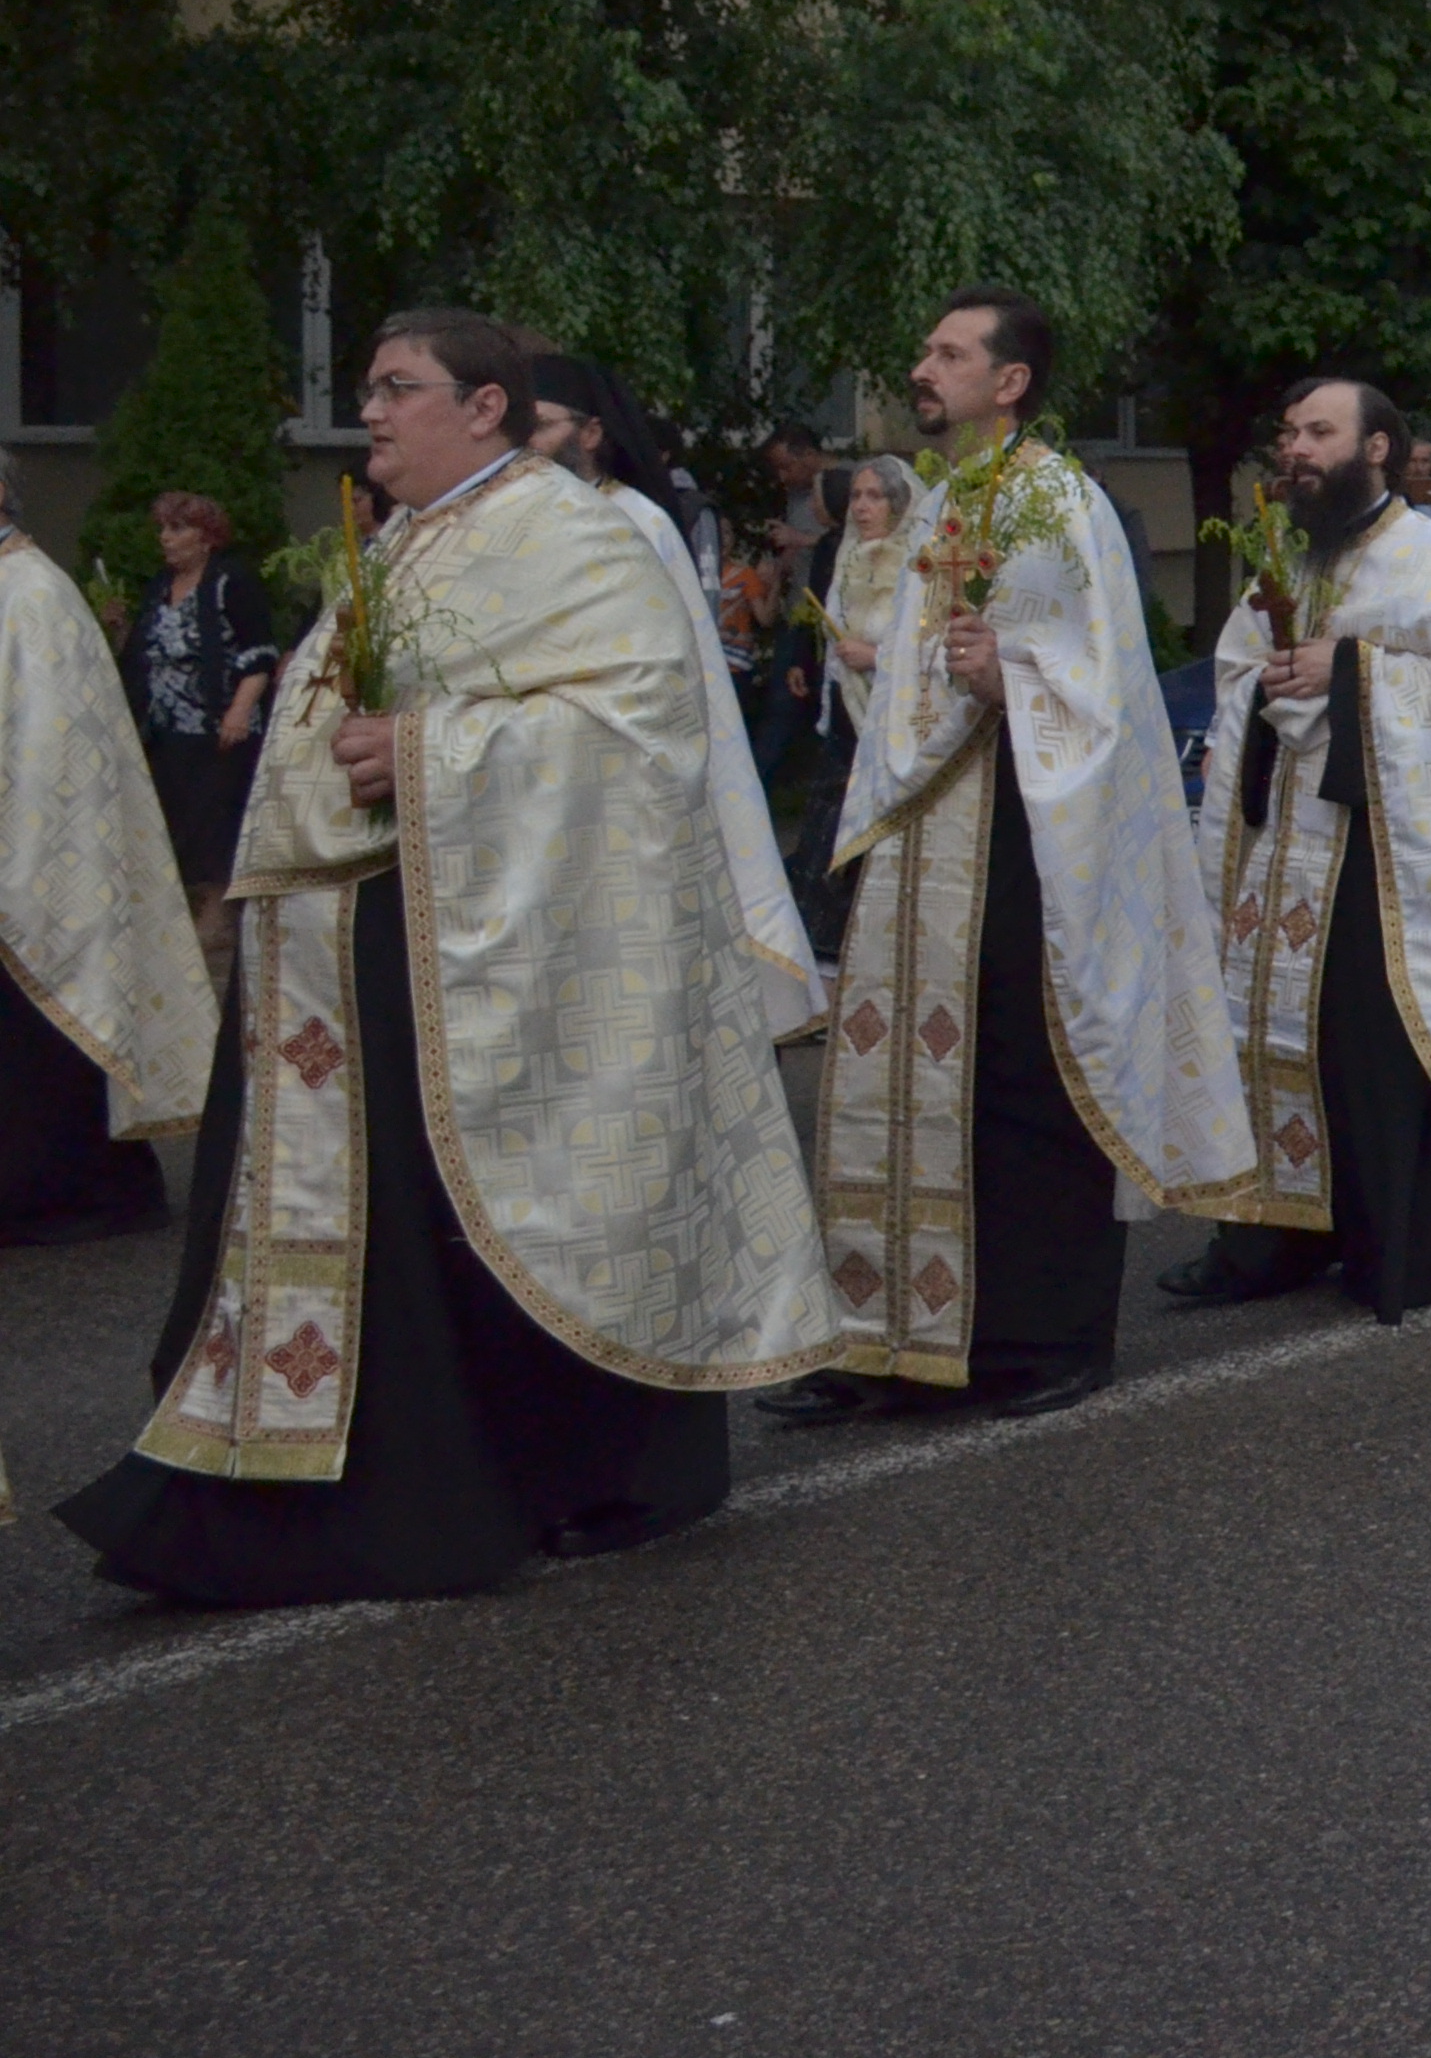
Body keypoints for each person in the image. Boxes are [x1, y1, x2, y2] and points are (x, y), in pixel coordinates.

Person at [63, 311, 837, 1601]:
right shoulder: (407, 537)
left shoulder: (574, 535)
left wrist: (424, 752)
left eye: (396, 387)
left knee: (510, 1217)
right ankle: (331, 1472)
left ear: (485, 408)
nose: (369, 411)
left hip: (498, 954)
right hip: (368, 943)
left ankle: (593, 1471)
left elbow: (640, 732)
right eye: (368, 387)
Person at [768, 293, 1253, 1426]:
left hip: (1026, 835)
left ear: (1010, 380)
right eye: (925, 349)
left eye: (949, 353)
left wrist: (1012, 679)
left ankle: (1042, 1339)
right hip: (921, 831)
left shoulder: (1057, 499)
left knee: (1023, 1080)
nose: (922, 367)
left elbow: (1104, 689)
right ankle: (891, 1336)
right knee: (898, 1080)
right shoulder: (947, 501)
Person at [1166, 380, 1431, 1321]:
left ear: (1378, 448)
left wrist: (1347, 667)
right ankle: (1267, 1239)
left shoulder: (1429, 556)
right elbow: (1236, 669)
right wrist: (1271, 679)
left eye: (1320, 432)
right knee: (1266, 1036)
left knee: (1370, 1049)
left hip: (1383, 854)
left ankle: (1392, 1246)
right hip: (1285, 841)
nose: (1298, 450)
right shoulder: (1289, 554)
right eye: (1290, 433)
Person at [519, 354, 824, 1043]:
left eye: (539, 426)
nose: (524, 444)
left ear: (590, 433)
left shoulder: (637, 521)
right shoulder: (517, 523)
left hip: (627, 773)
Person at [1, 456, 214, 1249]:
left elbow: (48, 755)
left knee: (43, 1029)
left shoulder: (33, 596)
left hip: (38, 860)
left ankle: (66, 1197)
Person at [119, 489, 281, 965]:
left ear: (206, 537)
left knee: (213, 820)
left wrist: (238, 710)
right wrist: (121, 627)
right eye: (163, 529)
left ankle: (218, 915)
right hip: (165, 725)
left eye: (177, 529)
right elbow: (148, 651)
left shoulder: (230, 582)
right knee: (175, 816)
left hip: (217, 724)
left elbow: (260, 653)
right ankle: (183, 908)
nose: (165, 539)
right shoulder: (159, 585)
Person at [786, 454, 917, 958]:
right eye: (857, 497)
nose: (861, 507)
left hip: (890, 725)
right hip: (844, 723)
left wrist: (876, 657)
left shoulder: (918, 566)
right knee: (827, 841)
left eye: (875, 497)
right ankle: (822, 952)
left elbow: (928, 652)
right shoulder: (846, 557)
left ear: (899, 504)